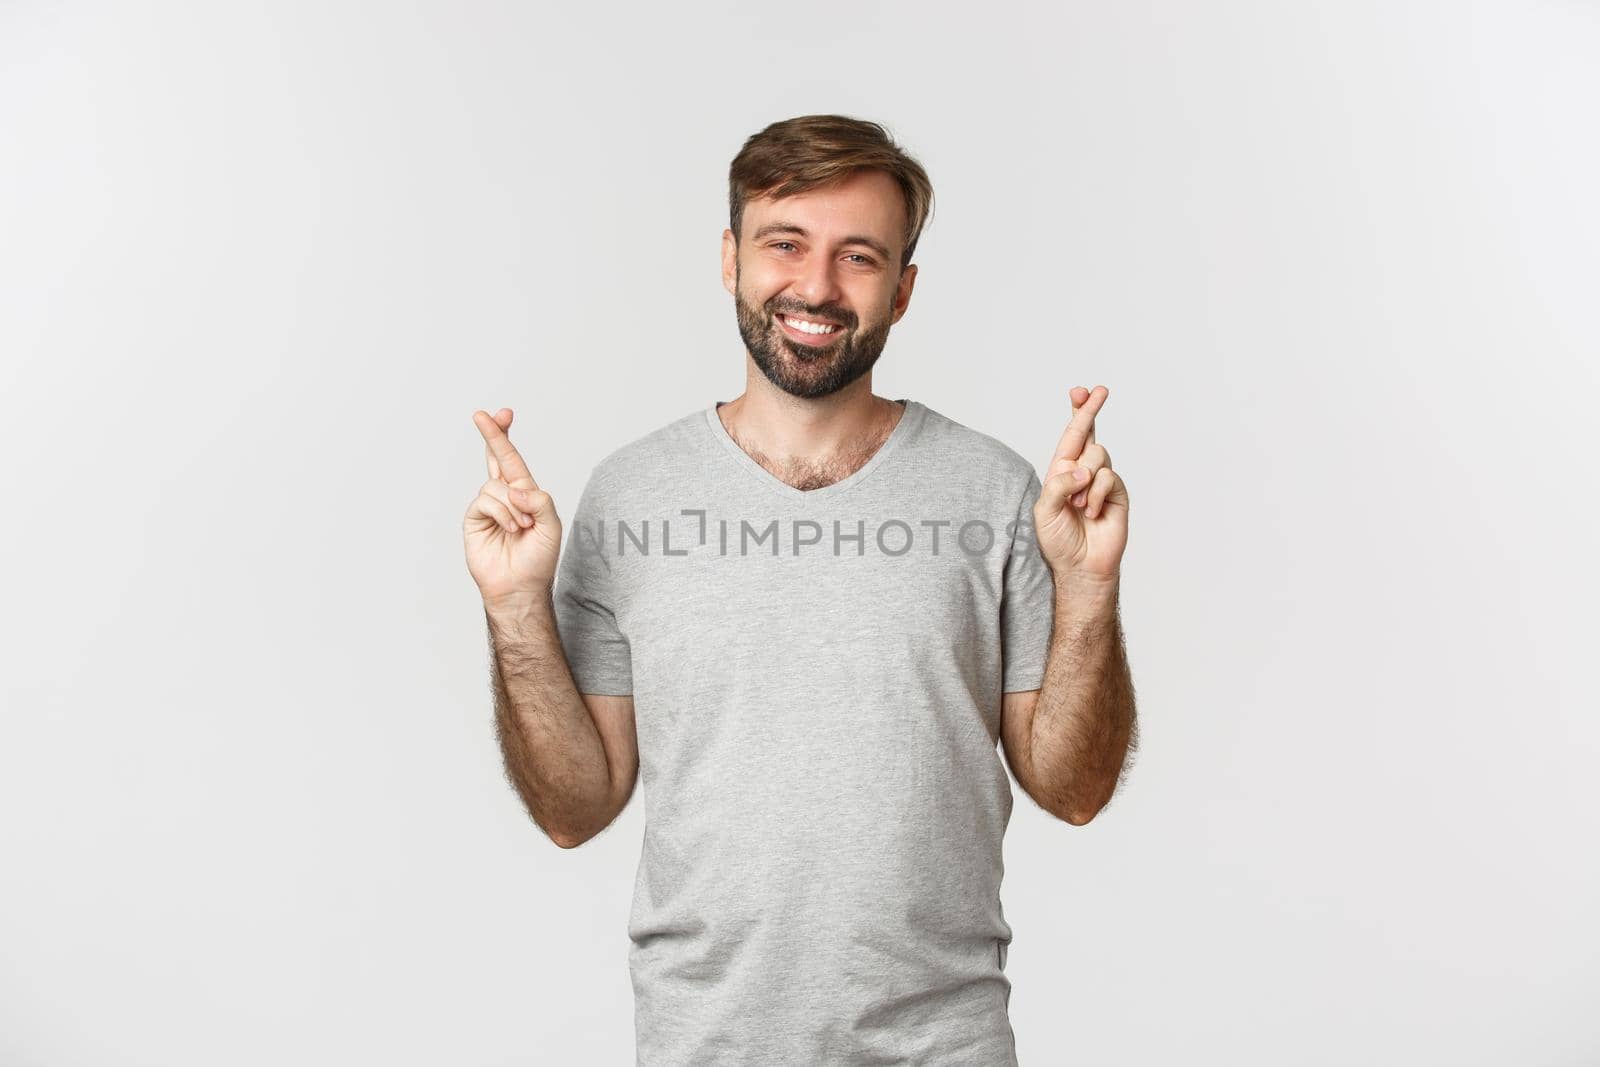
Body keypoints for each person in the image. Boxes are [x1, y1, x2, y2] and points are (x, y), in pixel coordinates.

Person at [462, 114, 1137, 1066]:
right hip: (707, 1044)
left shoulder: (997, 491)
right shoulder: (629, 496)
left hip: (944, 1044)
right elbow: (575, 808)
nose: (815, 287)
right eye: (786, 244)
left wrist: (1089, 583)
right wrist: (513, 606)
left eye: (858, 256)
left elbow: (1074, 790)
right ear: (731, 258)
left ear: (902, 292)